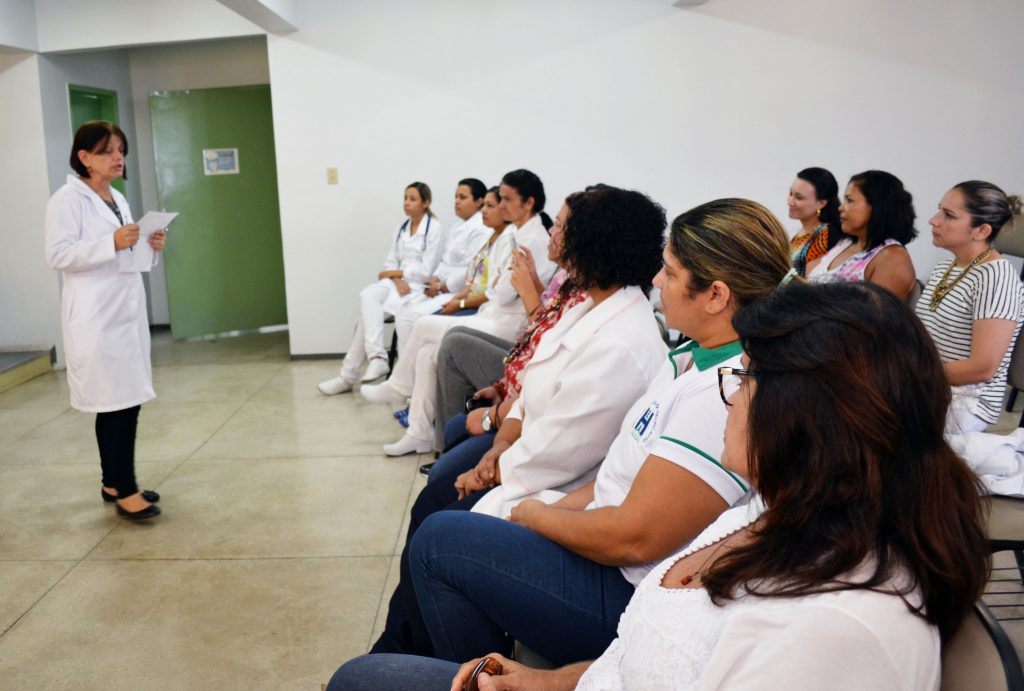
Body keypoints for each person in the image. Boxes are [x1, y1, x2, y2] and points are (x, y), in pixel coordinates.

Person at [327, 282, 990, 691]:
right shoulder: (774, 505)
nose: (729, 394)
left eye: (746, 379)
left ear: (804, 417)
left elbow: (636, 530)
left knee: (425, 569)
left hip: (608, 575)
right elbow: (644, 656)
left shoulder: (828, 632)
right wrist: (546, 681)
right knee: (365, 673)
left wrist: (531, 509)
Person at [365, 185, 668, 659]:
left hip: (555, 485)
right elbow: (534, 377)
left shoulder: (621, 343)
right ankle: (405, 649)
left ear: (591, 243)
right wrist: (497, 445)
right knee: (436, 498)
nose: (553, 234)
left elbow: (558, 451)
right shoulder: (591, 303)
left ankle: (421, 658)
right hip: (529, 457)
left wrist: (492, 466)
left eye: (563, 228)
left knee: (438, 523)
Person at [359, 169, 557, 456]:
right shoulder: (514, 233)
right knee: (428, 353)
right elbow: (493, 284)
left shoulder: (532, 238)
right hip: (492, 313)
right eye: (497, 199)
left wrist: (491, 287)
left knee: (424, 324)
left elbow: (500, 292)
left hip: (504, 324)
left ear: (528, 202)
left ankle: (399, 384)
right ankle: (420, 433)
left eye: (505, 199)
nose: (500, 206)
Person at [44, 120, 168, 521]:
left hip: (123, 311)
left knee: (124, 401)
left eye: (121, 150)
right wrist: (111, 242)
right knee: (115, 404)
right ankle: (125, 489)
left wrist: (150, 245)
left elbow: (126, 257)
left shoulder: (116, 197)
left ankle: (113, 482)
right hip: (95, 317)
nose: (118, 158)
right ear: (84, 157)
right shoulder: (67, 200)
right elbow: (58, 255)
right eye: (108, 151)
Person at [915, 180, 1024, 435]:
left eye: (948, 215)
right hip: (928, 384)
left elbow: (983, 367)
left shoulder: (997, 278)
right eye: (939, 209)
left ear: (981, 231)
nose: (934, 220)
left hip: (964, 403)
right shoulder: (946, 268)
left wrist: (910, 373)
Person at [318, 182, 442, 394]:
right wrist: (396, 278)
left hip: (417, 291)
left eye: (412, 199)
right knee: (368, 294)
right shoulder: (401, 229)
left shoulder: (434, 228)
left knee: (364, 320)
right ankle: (377, 357)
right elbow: (387, 266)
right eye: (405, 198)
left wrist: (396, 274)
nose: (407, 203)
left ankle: (347, 377)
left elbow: (426, 270)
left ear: (426, 202)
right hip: (395, 286)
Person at [392, 178, 491, 349]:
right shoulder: (457, 226)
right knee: (403, 312)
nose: (457, 202)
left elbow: (471, 271)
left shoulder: (482, 230)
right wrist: (436, 277)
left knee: (412, 316)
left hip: (459, 292)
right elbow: (444, 260)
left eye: (462, 197)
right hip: (440, 288)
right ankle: (404, 369)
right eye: (456, 197)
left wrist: (442, 286)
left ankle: (408, 370)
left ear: (478, 201)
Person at [807, 169, 918, 298]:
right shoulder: (845, 244)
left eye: (849, 200)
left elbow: (880, 315)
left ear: (877, 206)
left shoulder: (893, 257)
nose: (840, 207)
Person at [787, 166, 844, 276]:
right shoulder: (798, 235)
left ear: (821, 203)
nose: (790, 201)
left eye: (799, 197)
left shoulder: (826, 234)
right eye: (790, 194)